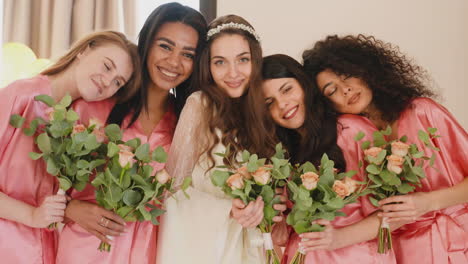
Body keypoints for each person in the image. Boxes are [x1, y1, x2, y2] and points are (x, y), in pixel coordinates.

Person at [55, 3, 207, 264]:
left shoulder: (189, 124)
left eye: (188, 54)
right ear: (147, 43)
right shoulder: (93, 105)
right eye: (165, 46)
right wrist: (70, 208)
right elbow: (40, 185)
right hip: (84, 249)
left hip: (149, 251)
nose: (174, 62)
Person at [302, 34, 468, 263]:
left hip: (459, 239)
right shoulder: (352, 141)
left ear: (366, 71)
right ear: (326, 105)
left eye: (347, 75)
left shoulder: (422, 112)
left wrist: (428, 203)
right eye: (332, 91)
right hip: (404, 252)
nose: (346, 90)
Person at [0, 30, 139, 264]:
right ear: (84, 51)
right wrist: (32, 215)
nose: (108, 82)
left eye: (118, 82)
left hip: (45, 251)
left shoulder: (79, 124)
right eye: (107, 66)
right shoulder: (20, 96)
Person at [156, 14, 280, 264]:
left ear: (254, 60)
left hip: (253, 245)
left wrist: (263, 204)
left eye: (242, 60)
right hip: (209, 248)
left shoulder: (264, 110)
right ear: (208, 67)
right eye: (220, 62)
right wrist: (228, 208)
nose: (233, 73)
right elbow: (173, 189)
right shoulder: (200, 105)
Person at [261, 54, 396, 263]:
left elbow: (394, 215)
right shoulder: (281, 156)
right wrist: (279, 227)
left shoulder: (350, 131)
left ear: (304, 85)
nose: (282, 105)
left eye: (287, 89)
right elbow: (287, 233)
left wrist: (338, 238)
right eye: (269, 103)